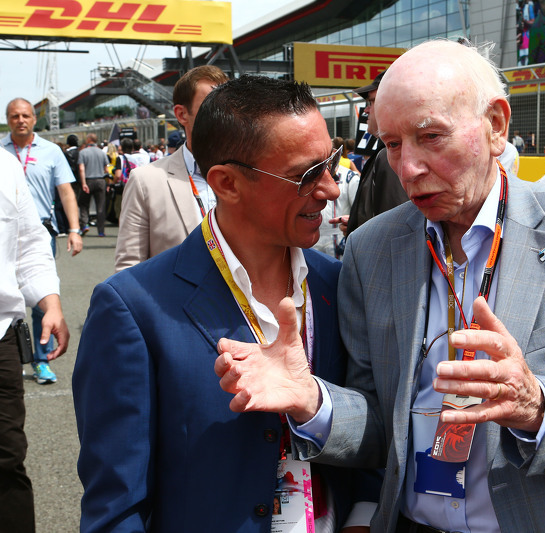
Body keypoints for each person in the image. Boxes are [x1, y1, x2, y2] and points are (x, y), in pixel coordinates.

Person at [215, 39, 545, 532]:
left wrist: (536, 405)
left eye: (430, 136)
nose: (407, 167)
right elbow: (379, 422)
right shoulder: (372, 249)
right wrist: (314, 401)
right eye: (391, 144)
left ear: (496, 125)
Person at [73, 75, 377, 533]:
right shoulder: (133, 308)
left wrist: (362, 515)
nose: (332, 189)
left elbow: (380, 427)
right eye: (305, 174)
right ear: (228, 184)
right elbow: (116, 507)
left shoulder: (340, 283)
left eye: (331, 163)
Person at [0, 148, 69, 533]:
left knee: (7, 460)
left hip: (1, 338)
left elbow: (29, 244)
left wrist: (51, 302)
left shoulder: (5, 166)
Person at [115, 65, 228, 271]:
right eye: (210, 106)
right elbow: (129, 268)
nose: (222, 115)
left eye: (227, 105)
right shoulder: (146, 181)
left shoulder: (252, 175)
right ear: (182, 114)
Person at [2, 97, 82, 385]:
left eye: (25, 115)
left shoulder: (51, 151)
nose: (20, 120)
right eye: (14, 116)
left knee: (41, 301)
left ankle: (41, 359)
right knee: (9, 298)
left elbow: (66, 192)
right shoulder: (1, 151)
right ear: (8, 119)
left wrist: (74, 229)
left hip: (40, 233)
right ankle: (12, 353)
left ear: (35, 119)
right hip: (5, 235)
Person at [345, 71, 408, 237]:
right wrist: (356, 224)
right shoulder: (384, 152)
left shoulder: (390, 156)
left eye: (372, 102)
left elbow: (396, 228)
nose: (366, 110)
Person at [77, 133, 111, 237]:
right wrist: (108, 183)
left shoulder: (83, 152)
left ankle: (85, 224)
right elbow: (107, 169)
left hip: (88, 180)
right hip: (100, 180)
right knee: (100, 206)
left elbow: (81, 169)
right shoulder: (102, 153)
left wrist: (83, 183)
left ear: (88, 140)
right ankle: (101, 231)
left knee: (83, 204)